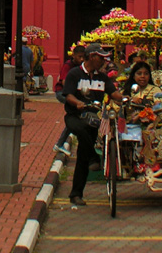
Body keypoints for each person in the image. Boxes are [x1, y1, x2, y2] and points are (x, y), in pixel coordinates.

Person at [62, 42, 123, 206]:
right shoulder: (74, 74)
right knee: (81, 131)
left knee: (82, 154)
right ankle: (94, 157)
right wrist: (77, 103)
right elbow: (67, 94)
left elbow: (113, 93)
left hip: (93, 119)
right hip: (75, 116)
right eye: (101, 57)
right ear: (92, 57)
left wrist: (127, 98)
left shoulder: (102, 77)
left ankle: (76, 194)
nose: (104, 61)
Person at [53, 45, 86, 155]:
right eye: (79, 57)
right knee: (74, 116)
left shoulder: (81, 67)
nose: (81, 59)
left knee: (74, 117)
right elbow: (64, 83)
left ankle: (60, 144)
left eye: (83, 57)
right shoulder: (68, 66)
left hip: (72, 95)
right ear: (74, 55)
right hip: (62, 93)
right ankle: (59, 144)